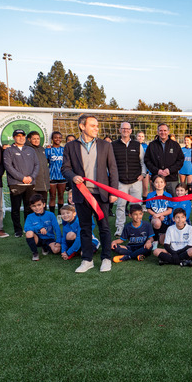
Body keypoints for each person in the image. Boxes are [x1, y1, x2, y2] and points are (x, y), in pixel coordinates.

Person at [62, 114, 119, 274]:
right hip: (81, 195)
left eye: (97, 125)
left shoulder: (105, 145)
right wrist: (73, 177)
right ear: (82, 126)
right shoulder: (70, 146)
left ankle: (106, 259)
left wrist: (113, 190)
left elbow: (113, 169)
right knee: (85, 229)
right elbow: (65, 169)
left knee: (104, 228)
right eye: (93, 125)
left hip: (101, 195)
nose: (96, 128)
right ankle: (87, 261)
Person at [111, 122, 146, 237]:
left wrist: (143, 174)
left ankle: (136, 228)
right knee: (120, 205)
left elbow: (143, 161)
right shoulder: (113, 145)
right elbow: (110, 163)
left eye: (128, 129)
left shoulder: (137, 145)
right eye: (123, 128)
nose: (125, 130)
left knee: (136, 206)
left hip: (136, 180)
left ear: (131, 131)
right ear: (120, 130)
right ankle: (120, 228)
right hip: (121, 181)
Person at [4, 129, 39, 238]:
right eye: (18, 136)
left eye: (22, 135)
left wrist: (31, 177)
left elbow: (36, 165)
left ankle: (28, 228)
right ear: (14, 138)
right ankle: (18, 230)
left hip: (30, 183)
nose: (21, 138)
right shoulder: (9, 150)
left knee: (29, 208)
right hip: (16, 184)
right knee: (15, 209)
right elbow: (8, 167)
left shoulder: (31, 150)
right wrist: (22, 177)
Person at [144, 123, 185, 197]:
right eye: (161, 130)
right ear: (157, 132)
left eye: (165, 130)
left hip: (171, 178)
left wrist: (170, 170)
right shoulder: (152, 145)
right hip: (157, 179)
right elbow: (147, 160)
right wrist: (157, 171)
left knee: (173, 201)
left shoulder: (175, 145)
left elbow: (180, 160)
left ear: (168, 132)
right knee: (157, 201)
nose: (163, 132)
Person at [24, 194, 61, 261]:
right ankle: (35, 253)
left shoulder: (51, 215)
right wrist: (39, 227)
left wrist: (58, 241)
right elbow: (26, 228)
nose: (37, 208)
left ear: (44, 204)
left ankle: (45, 247)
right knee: (29, 233)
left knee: (56, 250)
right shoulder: (30, 216)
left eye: (39, 205)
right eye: (34, 206)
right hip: (38, 239)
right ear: (31, 207)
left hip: (49, 238)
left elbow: (57, 229)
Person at [146, 175, 175, 246]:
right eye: (156, 182)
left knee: (162, 242)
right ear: (153, 183)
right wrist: (156, 216)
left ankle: (157, 235)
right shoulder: (150, 195)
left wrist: (160, 215)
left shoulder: (168, 196)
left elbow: (170, 210)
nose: (159, 184)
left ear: (165, 183)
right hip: (155, 218)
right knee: (157, 223)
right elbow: (148, 209)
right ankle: (155, 240)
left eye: (161, 182)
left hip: (165, 219)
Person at [26, 131, 51, 205]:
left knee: (43, 204)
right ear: (29, 139)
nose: (36, 140)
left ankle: (44, 217)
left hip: (44, 184)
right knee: (34, 205)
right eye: (34, 139)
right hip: (34, 183)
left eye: (38, 138)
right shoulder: (27, 149)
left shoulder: (42, 149)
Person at [45, 131, 67, 214]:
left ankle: (60, 215)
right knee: (52, 196)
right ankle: (52, 215)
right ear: (52, 139)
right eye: (55, 137)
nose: (58, 139)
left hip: (62, 176)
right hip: (52, 177)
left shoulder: (64, 150)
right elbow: (45, 163)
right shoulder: (48, 150)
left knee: (61, 196)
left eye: (59, 137)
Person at [136, 130, 151, 200]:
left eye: (142, 136)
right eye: (139, 136)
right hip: (136, 170)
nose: (140, 138)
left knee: (145, 187)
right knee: (136, 188)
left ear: (144, 138)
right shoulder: (133, 145)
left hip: (145, 170)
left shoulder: (147, 146)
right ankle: (135, 203)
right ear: (136, 137)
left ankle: (144, 204)